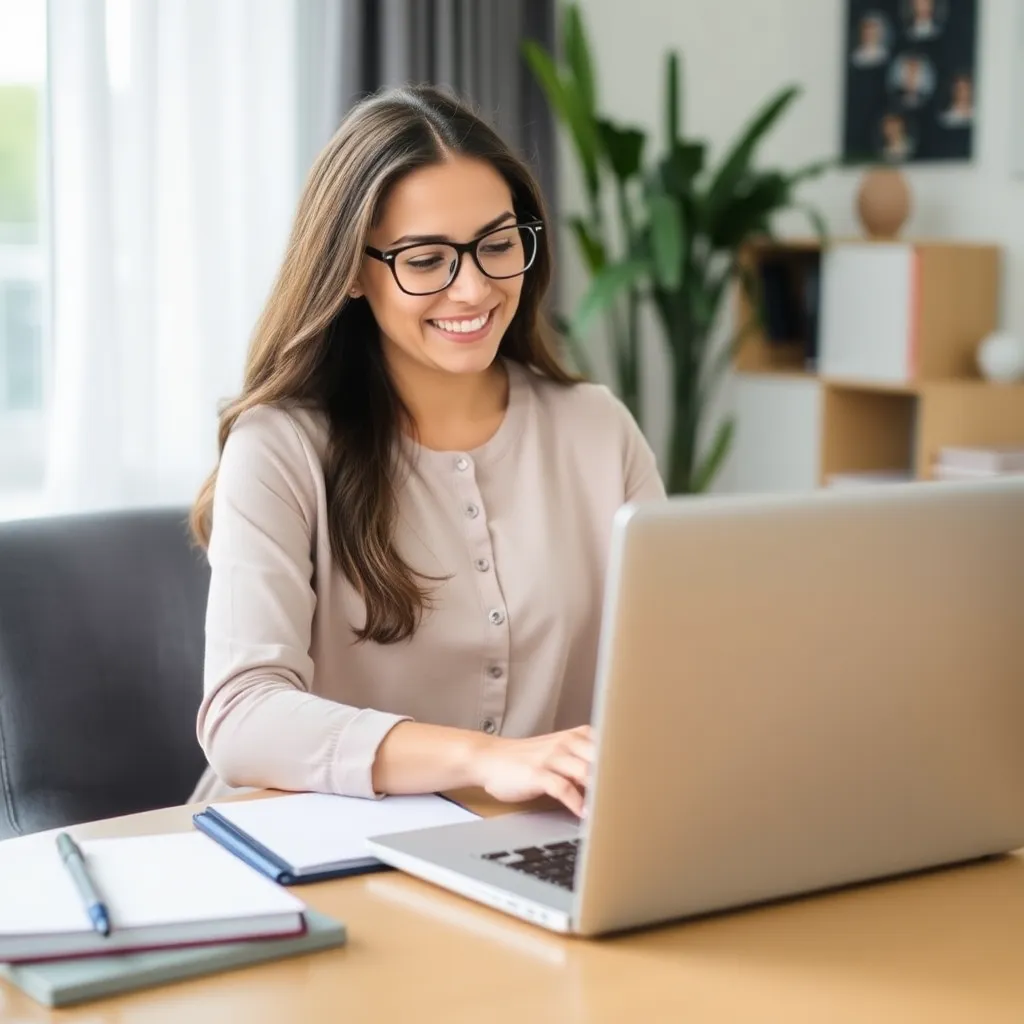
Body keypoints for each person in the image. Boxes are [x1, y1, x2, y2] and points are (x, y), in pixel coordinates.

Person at [187, 85, 666, 819]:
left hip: (529, 844)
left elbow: (674, 669)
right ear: (352, 270)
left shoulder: (597, 429)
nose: (473, 287)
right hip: (300, 852)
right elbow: (243, 718)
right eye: (426, 257)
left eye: (498, 244)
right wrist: (487, 759)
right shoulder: (279, 448)